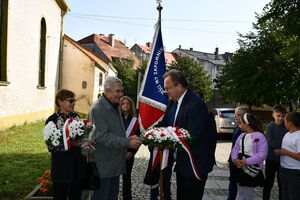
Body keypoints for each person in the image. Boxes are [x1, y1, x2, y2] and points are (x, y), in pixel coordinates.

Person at [159, 69, 210, 200]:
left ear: (179, 87)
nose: (165, 91)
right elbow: (165, 124)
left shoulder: (196, 104)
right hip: (182, 163)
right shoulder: (172, 102)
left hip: (195, 164)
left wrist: (167, 141)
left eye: (168, 88)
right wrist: (150, 134)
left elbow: (193, 135)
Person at [88, 76, 142, 200]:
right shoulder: (98, 109)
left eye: (121, 91)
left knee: (112, 196)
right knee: (101, 196)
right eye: (117, 91)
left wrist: (130, 137)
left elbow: (116, 130)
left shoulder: (114, 105)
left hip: (114, 163)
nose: (121, 94)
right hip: (103, 165)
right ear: (107, 91)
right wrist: (127, 142)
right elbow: (102, 137)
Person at [44, 89, 85, 200]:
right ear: (60, 101)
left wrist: (84, 142)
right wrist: (70, 144)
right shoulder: (52, 120)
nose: (74, 103)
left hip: (77, 165)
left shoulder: (76, 117)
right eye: (70, 101)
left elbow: (81, 136)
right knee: (60, 196)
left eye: (74, 101)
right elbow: (50, 146)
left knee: (76, 195)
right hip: (61, 167)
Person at [231, 113, 268, 200]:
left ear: (247, 124)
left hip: (251, 167)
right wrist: (235, 159)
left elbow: (262, 154)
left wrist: (245, 161)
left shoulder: (260, 136)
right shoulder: (242, 135)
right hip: (239, 166)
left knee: (248, 192)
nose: (239, 125)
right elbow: (235, 149)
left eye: (241, 123)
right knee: (239, 191)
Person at [263, 105, 287, 200]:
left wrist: (282, 146)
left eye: (283, 116)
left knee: (282, 184)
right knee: (268, 183)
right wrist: (282, 144)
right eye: (278, 116)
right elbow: (269, 142)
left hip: (283, 160)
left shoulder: (286, 127)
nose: (281, 118)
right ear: (273, 115)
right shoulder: (270, 127)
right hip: (271, 159)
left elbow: (288, 142)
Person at [275, 111, 300, 200]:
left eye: (285, 120)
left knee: (294, 196)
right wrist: (280, 152)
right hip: (284, 169)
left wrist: (286, 153)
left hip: (294, 172)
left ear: (290, 122)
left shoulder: (298, 136)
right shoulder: (287, 134)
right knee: (285, 195)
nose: (283, 122)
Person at [120, 96, 140, 200]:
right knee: (113, 178)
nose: (125, 105)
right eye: (123, 103)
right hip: (116, 153)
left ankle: (127, 197)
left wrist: (131, 152)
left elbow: (138, 139)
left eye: (127, 103)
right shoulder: (116, 119)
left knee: (127, 178)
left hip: (128, 154)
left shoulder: (135, 121)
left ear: (131, 105)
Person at [227, 106, 249, 200]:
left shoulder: (246, 130)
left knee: (239, 188)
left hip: (240, 162)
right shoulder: (237, 127)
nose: (235, 116)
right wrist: (230, 160)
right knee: (232, 186)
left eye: (238, 115)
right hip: (234, 161)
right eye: (235, 114)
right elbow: (233, 147)